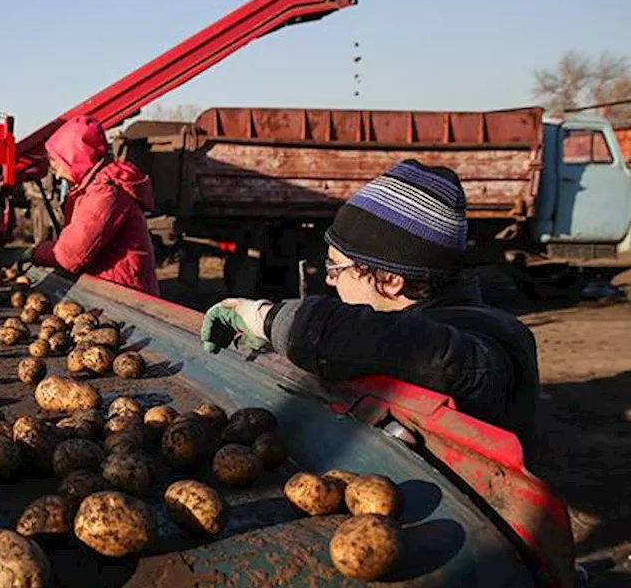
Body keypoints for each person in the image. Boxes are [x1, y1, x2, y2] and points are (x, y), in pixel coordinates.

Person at [200, 159, 541, 464]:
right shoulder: (425, 322)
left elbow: (406, 346)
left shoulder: (485, 348)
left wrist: (266, 318)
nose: (331, 283)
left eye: (336, 269)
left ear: (391, 280)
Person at [24, 115, 160, 295]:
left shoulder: (105, 192)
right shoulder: (92, 187)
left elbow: (70, 255)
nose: (56, 173)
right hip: (112, 285)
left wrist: (34, 254)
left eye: (57, 162)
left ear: (74, 158)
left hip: (125, 291)